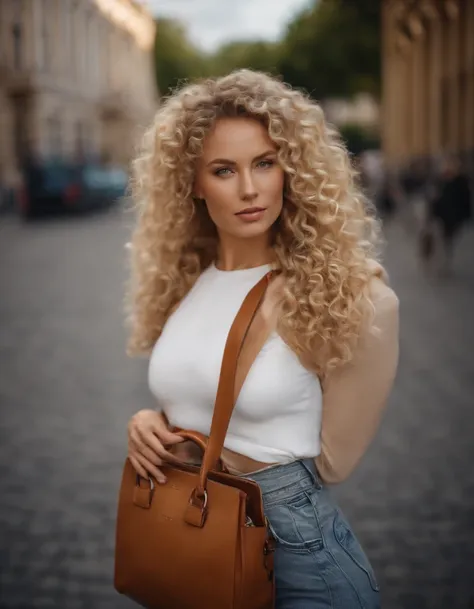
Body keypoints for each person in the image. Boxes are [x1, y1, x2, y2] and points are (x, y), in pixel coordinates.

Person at [124, 70, 399, 609]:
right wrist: (148, 424)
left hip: (299, 559)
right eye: (224, 170)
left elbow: (331, 465)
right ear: (193, 183)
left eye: (265, 163)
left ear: (290, 169)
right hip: (195, 544)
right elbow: (196, 398)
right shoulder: (189, 282)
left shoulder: (345, 295)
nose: (249, 188)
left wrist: (228, 454)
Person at [424, 156, 472, 275]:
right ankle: (441, 264)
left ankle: (444, 264)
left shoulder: (461, 181)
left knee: (448, 240)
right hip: (440, 216)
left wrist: (466, 215)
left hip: (454, 217)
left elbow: (466, 200)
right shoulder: (440, 180)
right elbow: (433, 199)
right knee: (442, 240)